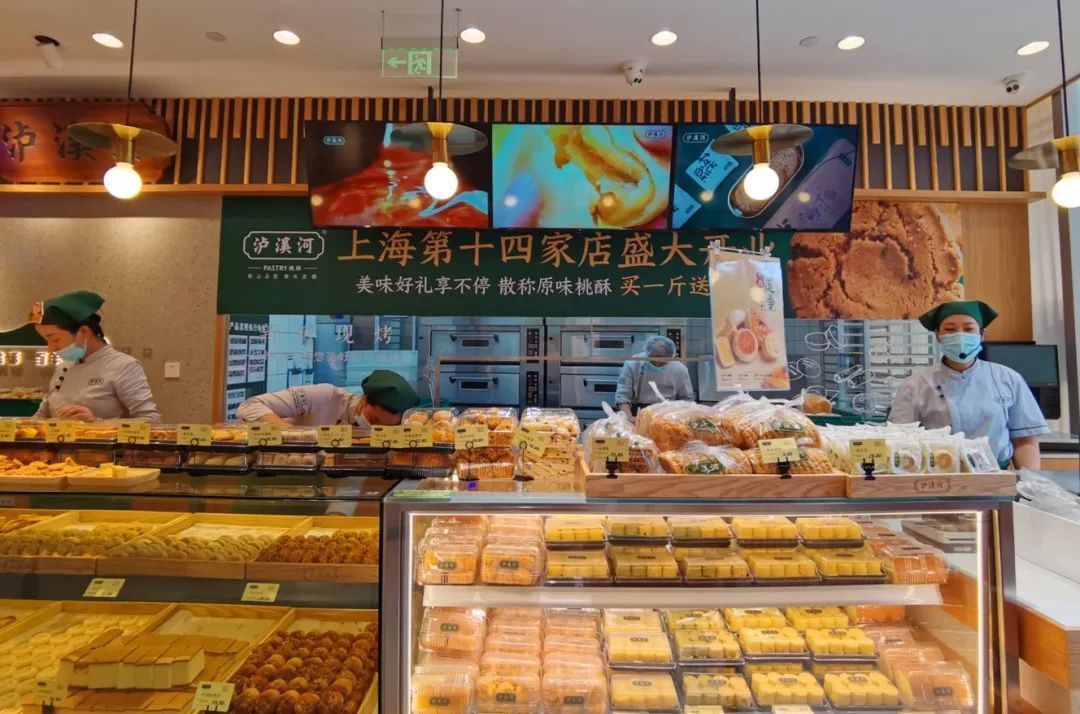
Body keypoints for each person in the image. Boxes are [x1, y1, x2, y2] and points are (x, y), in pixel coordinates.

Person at [888, 300, 1050, 469]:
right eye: (950, 329)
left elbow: (1025, 440)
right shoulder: (915, 385)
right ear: (938, 335)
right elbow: (901, 442)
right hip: (937, 476)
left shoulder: (1008, 379)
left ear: (982, 335)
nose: (960, 336)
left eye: (968, 329)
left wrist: (1028, 480)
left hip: (996, 476)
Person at [33, 290, 160, 421]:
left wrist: (97, 423)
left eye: (55, 339)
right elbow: (41, 416)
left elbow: (150, 419)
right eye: (46, 340)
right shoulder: (63, 367)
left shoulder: (124, 366)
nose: (51, 348)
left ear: (84, 331)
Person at [236, 370, 419, 427]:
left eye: (386, 427)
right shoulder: (325, 396)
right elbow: (250, 406)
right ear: (364, 399)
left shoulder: (403, 426)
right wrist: (289, 432)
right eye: (374, 420)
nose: (375, 429)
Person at [615, 335, 695, 417]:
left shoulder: (679, 369)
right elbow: (623, 397)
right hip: (637, 412)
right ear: (647, 354)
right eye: (653, 360)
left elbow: (687, 400)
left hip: (669, 414)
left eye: (662, 362)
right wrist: (628, 418)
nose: (657, 364)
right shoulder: (633, 364)